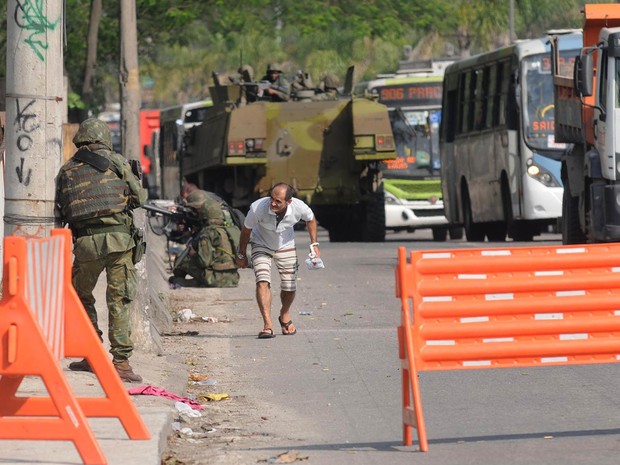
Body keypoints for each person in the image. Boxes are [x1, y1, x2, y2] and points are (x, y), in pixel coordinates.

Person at [55, 118, 147, 382]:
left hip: (86, 245)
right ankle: (122, 363)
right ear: (104, 138)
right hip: (120, 243)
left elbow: (63, 207)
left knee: (80, 296)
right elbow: (139, 198)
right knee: (119, 300)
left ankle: (91, 353)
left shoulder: (67, 169)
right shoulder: (117, 161)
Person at [235, 183, 320, 338]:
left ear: (289, 202)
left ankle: (284, 314)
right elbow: (246, 230)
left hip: (285, 244)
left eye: (278, 201)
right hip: (261, 243)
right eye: (271, 199)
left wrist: (313, 244)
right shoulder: (257, 208)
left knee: (289, 285)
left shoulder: (299, 207)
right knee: (262, 280)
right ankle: (267, 325)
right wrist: (241, 255)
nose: (273, 203)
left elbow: (311, 219)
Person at [171, 183, 241, 287]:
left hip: (214, 279)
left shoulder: (207, 233)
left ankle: (190, 282)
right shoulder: (230, 229)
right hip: (233, 278)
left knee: (181, 261)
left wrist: (193, 253)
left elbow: (204, 262)